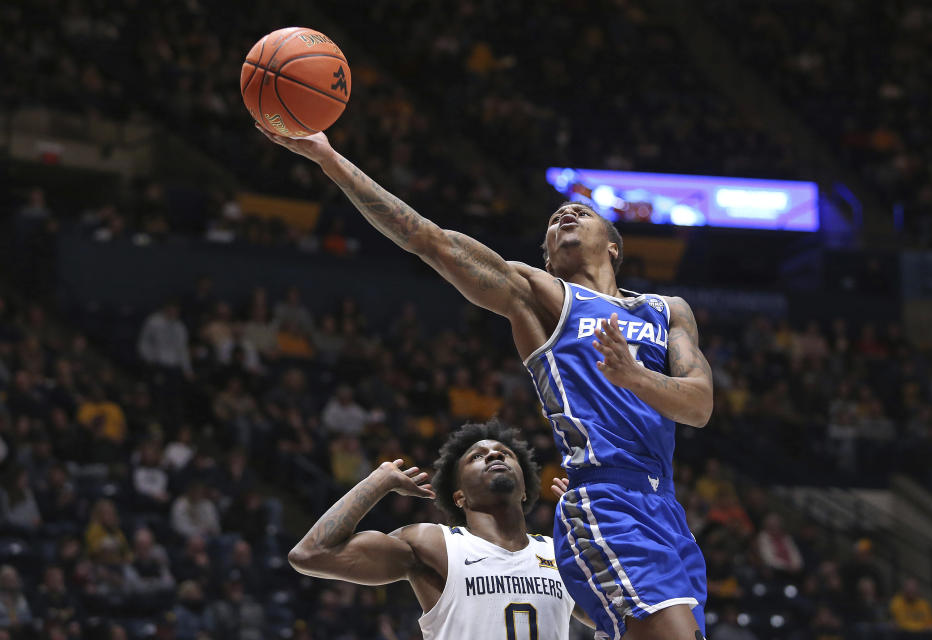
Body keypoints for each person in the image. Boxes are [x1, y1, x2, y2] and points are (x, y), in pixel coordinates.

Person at [262, 123, 713, 639]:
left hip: (665, 509)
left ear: (613, 246)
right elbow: (428, 240)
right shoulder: (540, 298)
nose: (566, 213)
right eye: (554, 219)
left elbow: (698, 407)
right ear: (547, 256)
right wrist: (329, 160)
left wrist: (633, 375)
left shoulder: (667, 310)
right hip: (607, 499)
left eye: (582, 212)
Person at [287, 419, 588, 639]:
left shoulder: (560, 553)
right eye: (477, 457)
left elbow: (624, 620)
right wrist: (380, 480)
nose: (495, 455)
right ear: (459, 497)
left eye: (505, 453)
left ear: (524, 489)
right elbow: (311, 554)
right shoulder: (434, 544)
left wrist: (598, 534)